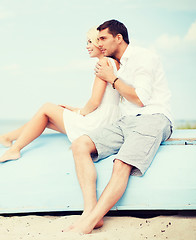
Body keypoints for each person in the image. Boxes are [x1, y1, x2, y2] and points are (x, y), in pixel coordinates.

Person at [65, 20, 173, 234]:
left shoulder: (143, 57)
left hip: (153, 117)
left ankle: (88, 223)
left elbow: (141, 99)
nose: (99, 43)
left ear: (119, 38)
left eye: (103, 38)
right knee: (80, 145)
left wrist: (112, 79)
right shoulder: (114, 62)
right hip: (126, 122)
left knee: (120, 164)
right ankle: (90, 213)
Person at [0, 27, 121, 162]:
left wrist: (79, 112)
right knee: (45, 120)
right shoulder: (116, 64)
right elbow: (106, 100)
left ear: (99, 42)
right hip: (106, 121)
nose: (87, 46)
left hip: (97, 124)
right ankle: (7, 137)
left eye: (90, 42)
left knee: (47, 108)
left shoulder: (103, 63)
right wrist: (75, 109)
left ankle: (14, 150)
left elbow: (95, 101)